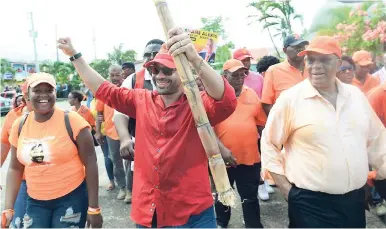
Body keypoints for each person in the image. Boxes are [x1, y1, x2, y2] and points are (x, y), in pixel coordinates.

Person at [57, 27, 237, 228]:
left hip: (192, 213)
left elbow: (226, 101)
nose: (160, 75)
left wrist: (194, 59)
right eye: (155, 70)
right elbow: (104, 90)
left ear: (184, 73)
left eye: (168, 70)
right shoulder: (141, 99)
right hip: (149, 211)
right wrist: (75, 55)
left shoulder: (198, 105)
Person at [261, 36, 386, 228]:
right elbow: (269, 144)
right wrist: (285, 188)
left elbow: (377, 140)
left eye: (324, 60)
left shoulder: (356, 97)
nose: (316, 66)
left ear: (338, 63)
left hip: (353, 201)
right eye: (311, 60)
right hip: (310, 204)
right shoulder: (291, 100)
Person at [2, 72, 102, 228]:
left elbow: (91, 164)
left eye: (49, 90)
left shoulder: (73, 121)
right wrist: (8, 208)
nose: (44, 95)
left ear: (55, 93)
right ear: (27, 96)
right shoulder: (19, 125)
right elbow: (15, 168)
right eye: (37, 90)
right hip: (35, 200)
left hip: (71, 198)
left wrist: (94, 207)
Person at [214, 59, 266, 228]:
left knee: (249, 196)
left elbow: (260, 125)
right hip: (222, 159)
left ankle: (253, 224)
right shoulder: (214, 95)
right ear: (224, 76)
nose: (239, 78)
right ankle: (221, 223)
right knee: (223, 194)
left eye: (242, 74)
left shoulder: (251, 94)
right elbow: (205, 129)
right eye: (234, 75)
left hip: (249, 157)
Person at [113, 39, 163, 204]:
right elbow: (119, 111)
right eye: (146, 55)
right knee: (144, 192)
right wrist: (125, 138)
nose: (150, 58)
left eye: (155, 54)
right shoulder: (133, 80)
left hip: (172, 146)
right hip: (142, 144)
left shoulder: (179, 75)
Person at [95, 64, 128, 201]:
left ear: (122, 75)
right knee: (116, 162)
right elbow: (99, 113)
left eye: (117, 75)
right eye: (112, 75)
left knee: (132, 163)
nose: (114, 78)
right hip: (111, 133)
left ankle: (132, 188)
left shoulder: (128, 88)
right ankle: (122, 187)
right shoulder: (105, 91)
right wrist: (97, 131)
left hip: (128, 131)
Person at [1, 81, 31, 229]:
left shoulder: (59, 116)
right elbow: (4, 145)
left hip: (52, 179)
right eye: (29, 93)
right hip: (23, 180)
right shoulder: (13, 116)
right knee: (19, 221)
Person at [261, 34, 309, 116]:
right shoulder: (273, 71)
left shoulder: (313, 68)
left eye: (302, 46)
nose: (300, 49)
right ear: (285, 50)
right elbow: (266, 103)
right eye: (295, 46)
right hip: (287, 123)